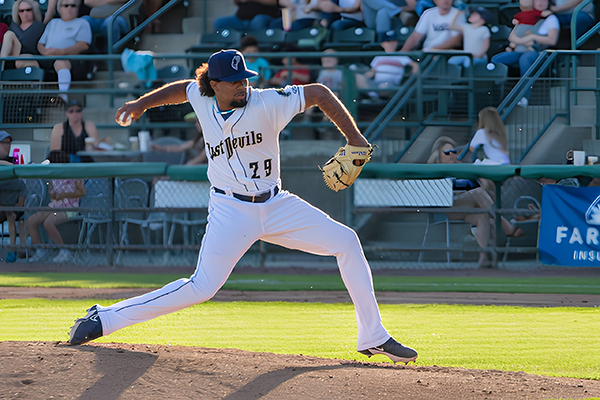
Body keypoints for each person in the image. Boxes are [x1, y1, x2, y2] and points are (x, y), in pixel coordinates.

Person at [68, 49, 418, 365]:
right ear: (215, 84)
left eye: (245, 78)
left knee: (347, 242)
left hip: (277, 204)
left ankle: (373, 336)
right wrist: (141, 104)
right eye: (235, 81)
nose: (243, 85)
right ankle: (105, 318)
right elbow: (182, 89)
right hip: (229, 211)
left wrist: (355, 139)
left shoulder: (267, 102)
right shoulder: (200, 97)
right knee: (202, 287)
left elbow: (319, 93)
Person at [428, 136, 524, 268]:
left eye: (454, 152)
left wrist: (484, 183)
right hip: (444, 209)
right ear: (437, 155)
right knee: (477, 193)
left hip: (464, 208)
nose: (451, 155)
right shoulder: (431, 169)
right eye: (446, 152)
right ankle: (507, 227)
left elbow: (478, 189)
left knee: (485, 216)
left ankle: (485, 258)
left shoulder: (462, 169)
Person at [490, 0, 559, 108]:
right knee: (497, 59)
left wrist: (532, 38)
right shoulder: (525, 16)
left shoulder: (550, 18)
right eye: (537, 0)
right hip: (520, 50)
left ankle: (524, 96)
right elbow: (512, 37)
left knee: (525, 59)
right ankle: (496, 96)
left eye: (544, 0)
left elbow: (552, 40)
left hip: (538, 52)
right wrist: (526, 42)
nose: (541, 3)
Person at [27, 151, 86, 264]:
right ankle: (41, 250)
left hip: (70, 208)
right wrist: (53, 194)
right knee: (31, 221)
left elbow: (81, 191)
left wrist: (65, 195)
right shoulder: (53, 174)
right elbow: (52, 192)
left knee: (48, 223)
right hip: (54, 206)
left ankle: (64, 251)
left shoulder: (74, 172)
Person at [37, 0, 92, 102]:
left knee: (61, 62)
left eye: (73, 5)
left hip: (71, 59)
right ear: (60, 8)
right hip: (47, 58)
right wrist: (45, 52)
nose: (69, 8)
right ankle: (33, 100)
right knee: (26, 62)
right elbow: (40, 43)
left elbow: (83, 45)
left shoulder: (82, 23)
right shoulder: (52, 23)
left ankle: (63, 95)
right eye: (66, 5)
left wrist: (61, 52)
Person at [355, 30, 418, 99]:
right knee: (357, 77)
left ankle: (374, 95)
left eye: (393, 41)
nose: (391, 43)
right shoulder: (378, 57)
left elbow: (415, 65)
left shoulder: (401, 55)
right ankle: (373, 95)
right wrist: (363, 78)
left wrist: (412, 78)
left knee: (383, 86)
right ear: (382, 44)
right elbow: (372, 72)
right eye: (388, 41)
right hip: (375, 84)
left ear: (396, 43)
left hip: (391, 85)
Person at [0, 131, 27, 263]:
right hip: (2, 204)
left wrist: (21, 198)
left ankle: (20, 250)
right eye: (4, 143)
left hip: (14, 203)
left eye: (9, 143)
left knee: (18, 217)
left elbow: (23, 184)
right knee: (10, 214)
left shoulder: (13, 162)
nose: (7, 146)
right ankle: (13, 250)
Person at [400, 0, 465, 52]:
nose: (445, 1)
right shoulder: (428, 13)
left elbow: (456, 41)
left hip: (447, 53)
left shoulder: (458, 14)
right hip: (427, 52)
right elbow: (416, 36)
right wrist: (403, 51)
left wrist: (434, 49)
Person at [9, 0, 45, 69]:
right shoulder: (13, 28)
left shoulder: (41, 27)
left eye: (28, 10)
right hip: (14, 59)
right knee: (8, 35)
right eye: (21, 11)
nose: (25, 13)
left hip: (34, 58)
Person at [213, 0, 281, 32]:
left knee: (258, 21)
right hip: (240, 18)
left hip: (264, 16)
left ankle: (255, 47)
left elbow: (275, 1)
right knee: (220, 22)